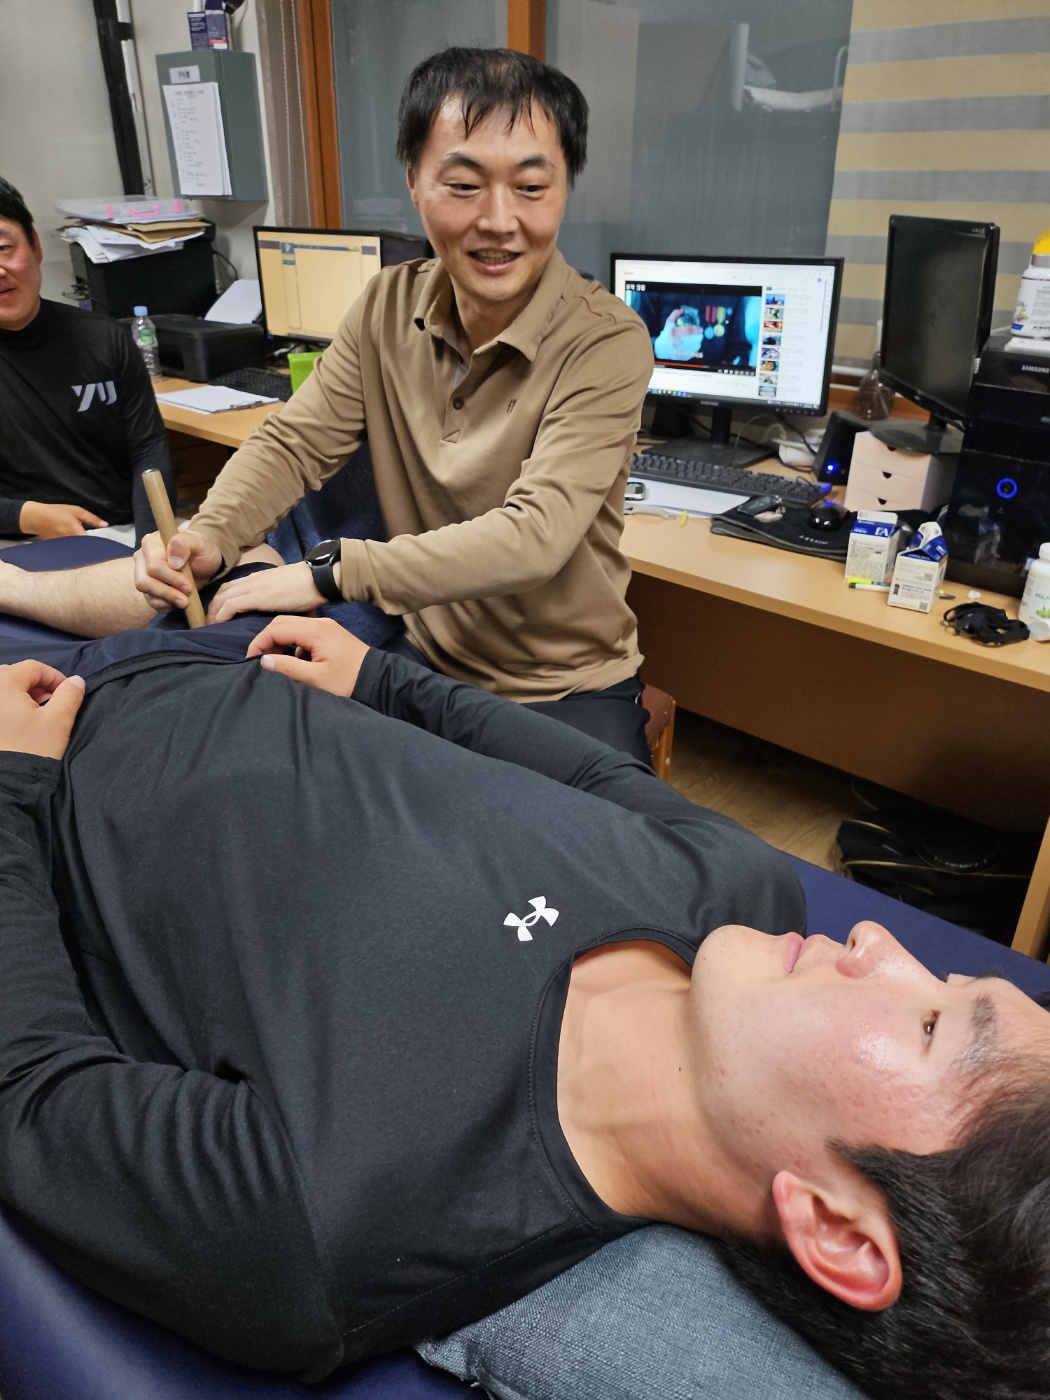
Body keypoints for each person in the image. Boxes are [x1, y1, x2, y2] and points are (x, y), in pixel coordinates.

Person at [1, 619, 1049, 1400]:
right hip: (238, 653)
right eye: (948, 978)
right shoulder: (737, 888)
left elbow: (32, 1081)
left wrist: (11, 784)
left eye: (930, 1026)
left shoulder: (332, 1221)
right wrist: (382, 676)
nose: (881, 946)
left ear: (837, 1229)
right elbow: (585, 765)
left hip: (46, 744)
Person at [131, 47, 655, 760]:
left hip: (563, 686)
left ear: (565, 188)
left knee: (594, 832)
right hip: (423, 653)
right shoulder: (387, 303)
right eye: (463, 185)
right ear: (413, 179)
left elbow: (536, 536)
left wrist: (328, 573)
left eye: (532, 187)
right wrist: (211, 536)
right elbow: (295, 443)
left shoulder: (606, 339)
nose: (500, 220)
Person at [0, 178, 176, 542]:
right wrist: (25, 517)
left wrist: (151, 544)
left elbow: (148, 451)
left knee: (254, 561)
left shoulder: (104, 338)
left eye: (4, 248)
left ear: (35, 245)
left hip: (120, 532)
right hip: (17, 541)